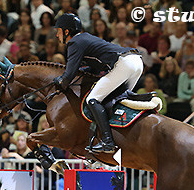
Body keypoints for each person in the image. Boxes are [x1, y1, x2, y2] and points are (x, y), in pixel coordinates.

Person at [52, 13, 144, 153]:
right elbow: (94, 68)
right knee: (115, 102)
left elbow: (67, 77)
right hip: (136, 62)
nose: (57, 36)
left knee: (92, 99)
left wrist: (59, 81)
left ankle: (108, 141)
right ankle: (121, 138)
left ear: (66, 31)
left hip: (124, 64)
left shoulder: (74, 43)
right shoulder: (85, 38)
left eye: (58, 32)